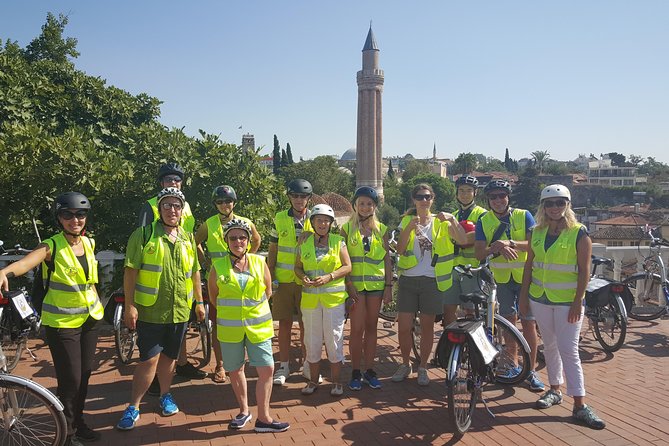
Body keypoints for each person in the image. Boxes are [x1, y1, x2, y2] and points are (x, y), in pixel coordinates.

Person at [0, 192, 103, 445]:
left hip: (90, 318)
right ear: (59, 218)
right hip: (62, 324)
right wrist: (5, 271)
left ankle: (78, 423)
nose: (75, 220)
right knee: (71, 381)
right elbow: (26, 262)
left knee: (85, 375)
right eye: (67, 215)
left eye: (80, 214)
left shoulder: (88, 243)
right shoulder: (51, 246)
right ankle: (66, 433)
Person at [116, 187, 205, 431]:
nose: (172, 210)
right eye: (167, 205)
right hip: (152, 311)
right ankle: (133, 406)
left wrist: (199, 302)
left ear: (182, 210)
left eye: (176, 206)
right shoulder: (143, 235)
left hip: (179, 310)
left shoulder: (187, 237)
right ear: (159, 208)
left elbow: (195, 272)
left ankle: (166, 395)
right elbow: (130, 272)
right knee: (149, 360)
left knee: (170, 359)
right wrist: (130, 305)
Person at [519, 184, 605, 429]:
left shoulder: (579, 233)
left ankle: (579, 404)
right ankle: (554, 389)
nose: (554, 207)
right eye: (550, 203)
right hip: (541, 298)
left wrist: (578, 301)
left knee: (569, 350)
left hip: (568, 302)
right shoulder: (535, 232)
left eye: (560, 203)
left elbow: (584, 271)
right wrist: (524, 297)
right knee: (552, 346)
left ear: (568, 205)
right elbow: (529, 267)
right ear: (543, 207)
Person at [208, 219, 289, 433]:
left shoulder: (258, 262)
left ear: (248, 240)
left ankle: (264, 418)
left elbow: (268, 291)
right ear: (226, 241)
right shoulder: (218, 266)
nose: (238, 241)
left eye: (242, 237)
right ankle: (244, 411)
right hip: (230, 329)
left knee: (267, 369)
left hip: (258, 327)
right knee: (235, 371)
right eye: (233, 238)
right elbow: (214, 297)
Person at [474, 179, 545, 392]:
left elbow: (534, 244)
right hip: (501, 279)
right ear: (488, 200)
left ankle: (530, 370)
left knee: (529, 323)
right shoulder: (484, 221)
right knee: (509, 322)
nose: (497, 200)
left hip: (525, 277)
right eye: (493, 197)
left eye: (501, 196)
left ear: (508, 197)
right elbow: (478, 253)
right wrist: (495, 247)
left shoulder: (524, 216)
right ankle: (513, 364)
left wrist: (510, 243)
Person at [392, 184, 467, 386]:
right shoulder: (406, 221)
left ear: (432, 199)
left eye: (427, 197)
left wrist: (452, 219)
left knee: (427, 328)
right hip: (408, 279)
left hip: (432, 281)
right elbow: (399, 249)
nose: (424, 200)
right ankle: (405, 364)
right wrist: (408, 228)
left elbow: (462, 240)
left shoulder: (441, 222)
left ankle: (423, 367)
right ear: (414, 200)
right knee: (404, 327)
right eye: (419, 197)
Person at [139, 162, 205, 387]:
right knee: (159, 337)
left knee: (182, 324)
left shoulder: (186, 206)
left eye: (177, 180)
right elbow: (144, 240)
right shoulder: (151, 205)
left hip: (182, 273)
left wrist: (199, 257)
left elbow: (188, 236)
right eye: (169, 180)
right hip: (159, 280)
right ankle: (157, 379)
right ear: (161, 183)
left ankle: (183, 363)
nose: (173, 183)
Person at [195, 185, 262, 384]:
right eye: (220, 202)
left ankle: (242, 362)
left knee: (246, 322)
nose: (225, 205)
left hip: (242, 280)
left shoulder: (245, 223)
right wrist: (204, 261)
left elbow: (256, 239)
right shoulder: (209, 224)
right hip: (219, 280)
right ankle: (220, 365)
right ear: (215, 204)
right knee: (219, 325)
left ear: (234, 202)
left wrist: (248, 257)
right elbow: (195, 241)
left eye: (228, 201)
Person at [295, 204, 352, 396]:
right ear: (312, 222)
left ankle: (337, 382)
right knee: (311, 341)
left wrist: (330, 277)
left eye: (326, 220)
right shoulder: (304, 243)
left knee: (334, 340)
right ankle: (313, 381)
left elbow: (347, 266)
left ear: (331, 223)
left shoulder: (338, 242)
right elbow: (297, 267)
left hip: (333, 301)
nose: (322, 223)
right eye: (319, 220)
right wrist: (301, 276)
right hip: (310, 302)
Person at [341, 186, 392, 390]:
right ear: (355, 205)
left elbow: (387, 260)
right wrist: (348, 285)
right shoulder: (346, 229)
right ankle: (355, 371)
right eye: (361, 203)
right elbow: (340, 259)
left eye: (369, 203)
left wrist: (389, 286)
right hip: (355, 288)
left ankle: (369, 370)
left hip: (376, 287)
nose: (365, 207)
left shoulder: (382, 230)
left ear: (374, 206)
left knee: (372, 329)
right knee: (357, 330)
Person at [268, 179, 317, 385]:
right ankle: (284, 366)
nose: (299, 200)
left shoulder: (316, 218)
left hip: (307, 280)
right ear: (289, 197)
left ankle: (308, 365)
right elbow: (272, 251)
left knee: (307, 324)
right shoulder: (279, 218)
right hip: (284, 280)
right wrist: (270, 278)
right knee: (285, 324)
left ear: (309, 198)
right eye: (295, 196)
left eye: (303, 196)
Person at [442, 175, 487, 326]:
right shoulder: (453, 215)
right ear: (456, 193)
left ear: (475, 193)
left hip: (472, 269)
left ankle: (472, 345)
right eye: (461, 191)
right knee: (448, 309)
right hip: (453, 268)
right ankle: (451, 344)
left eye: (469, 190)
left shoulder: (482, 214)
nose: (465, 194)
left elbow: (469, 240)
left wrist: (458, 237)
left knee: (471, 310)